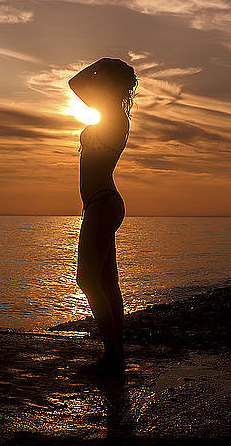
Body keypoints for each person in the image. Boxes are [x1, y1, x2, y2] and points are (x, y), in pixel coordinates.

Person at [68, 57, 138, 376]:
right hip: (103, 204)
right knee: (108, 283)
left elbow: (75, 83)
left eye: (104, 78)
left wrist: (102, 62)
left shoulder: (111, 114)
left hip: (102, 204)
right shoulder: (115, 115)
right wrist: (107, 68)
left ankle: (112, 357)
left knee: (87, 279)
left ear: (111, 83)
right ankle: (116, 357)